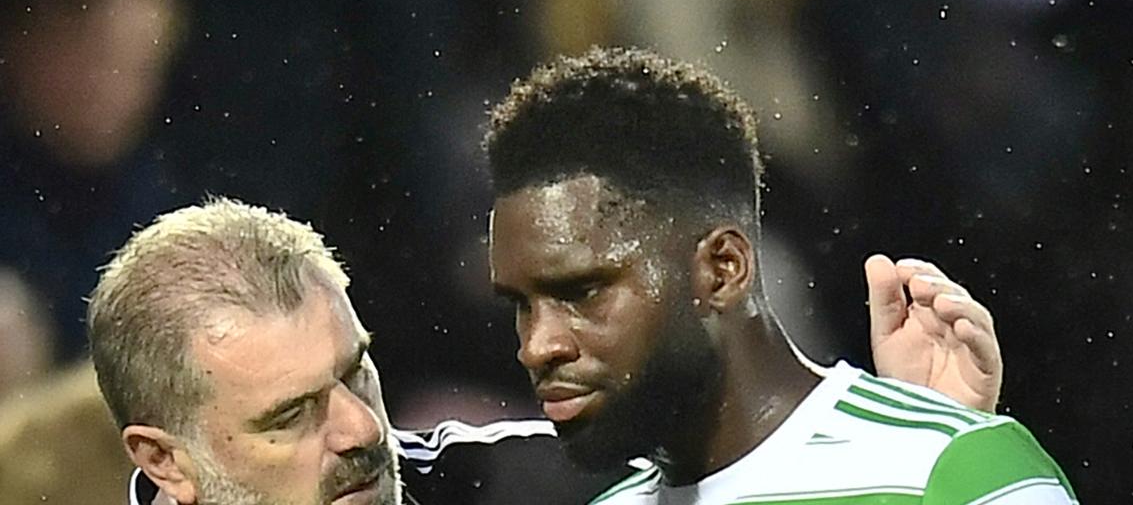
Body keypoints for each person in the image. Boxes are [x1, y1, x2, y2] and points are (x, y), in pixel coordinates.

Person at [96, 196, 1002, 504]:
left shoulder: (530, 492)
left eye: (352, 371)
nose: (358, 429)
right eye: (290, 415)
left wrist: (918, 445)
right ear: (165, 461)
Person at [485, 47, 1075, 503]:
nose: (537, 347)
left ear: (722, 270)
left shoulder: (949, 472)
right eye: (520, 305)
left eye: (582, 292)